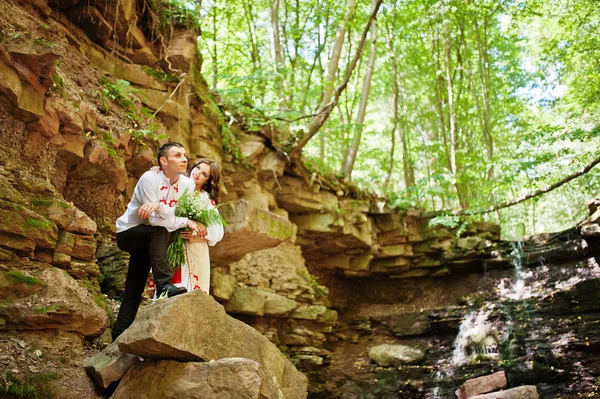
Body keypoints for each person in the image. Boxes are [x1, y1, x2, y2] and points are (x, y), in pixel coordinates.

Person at [112, 142, 206, 340]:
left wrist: (161, 207)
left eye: (185, 155)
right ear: (163, 161)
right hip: (129, 233)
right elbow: (154, 221)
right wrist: (182, 219)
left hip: (151, 242)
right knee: (160, 230)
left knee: (134, 291)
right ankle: (164, 284)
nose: (184, 159)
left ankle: (117, 337)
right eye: (178, 155)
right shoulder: (150, 179)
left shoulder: (187, 185)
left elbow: (175, 219)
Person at [163, 158, 224, 294]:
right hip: (171, 242)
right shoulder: (175, 185)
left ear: (208, 181)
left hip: (195, 249)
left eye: (204, 174)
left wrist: (196, 236)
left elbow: (218, 232)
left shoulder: (205, 200)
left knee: (192, 291)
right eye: (198, 168)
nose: (198, 173)